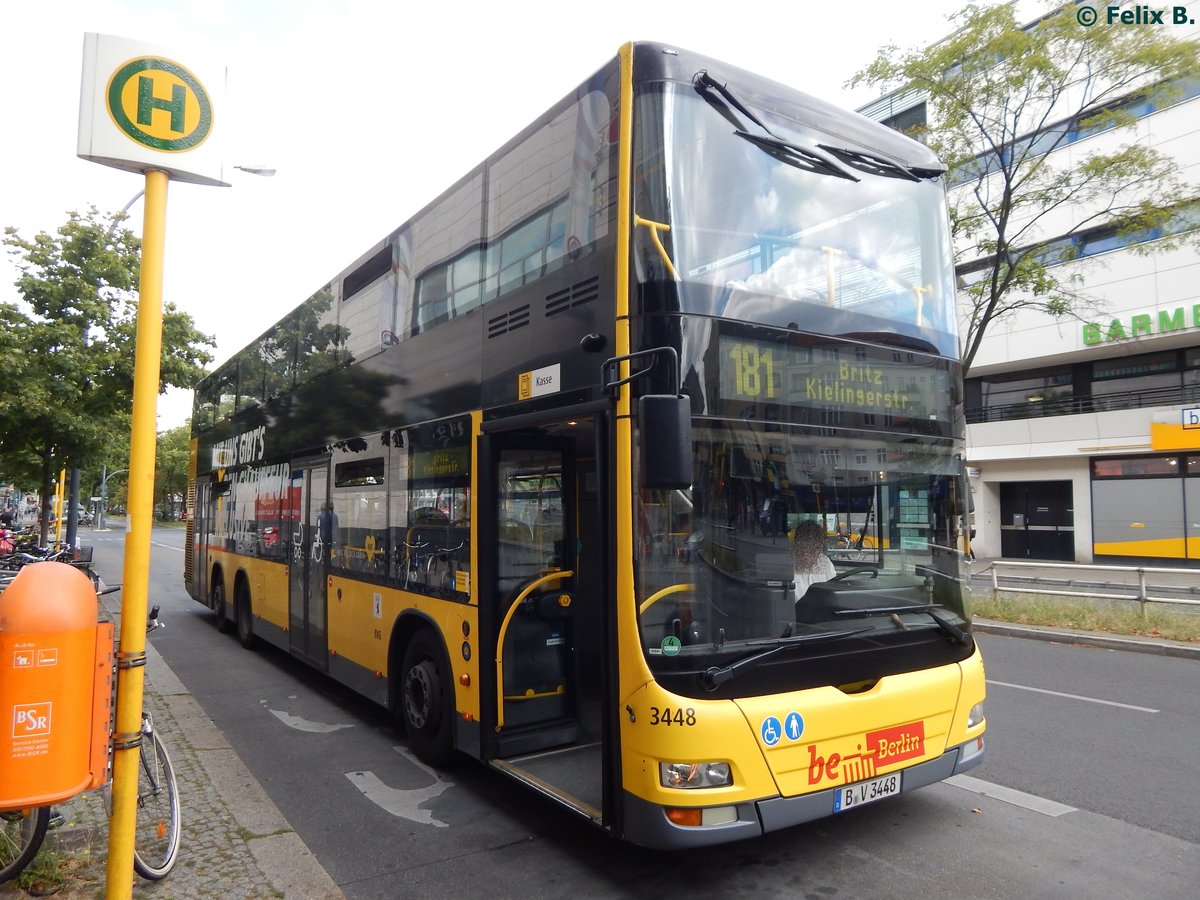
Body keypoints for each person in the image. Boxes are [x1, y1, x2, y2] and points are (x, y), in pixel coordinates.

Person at [792, 519, 836, 601]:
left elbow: (833, 594)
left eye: (814, 549)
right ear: (796, 546)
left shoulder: (825, 562)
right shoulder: (787, 565)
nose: (808, 554)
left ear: (820, 548)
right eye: (805, 548)